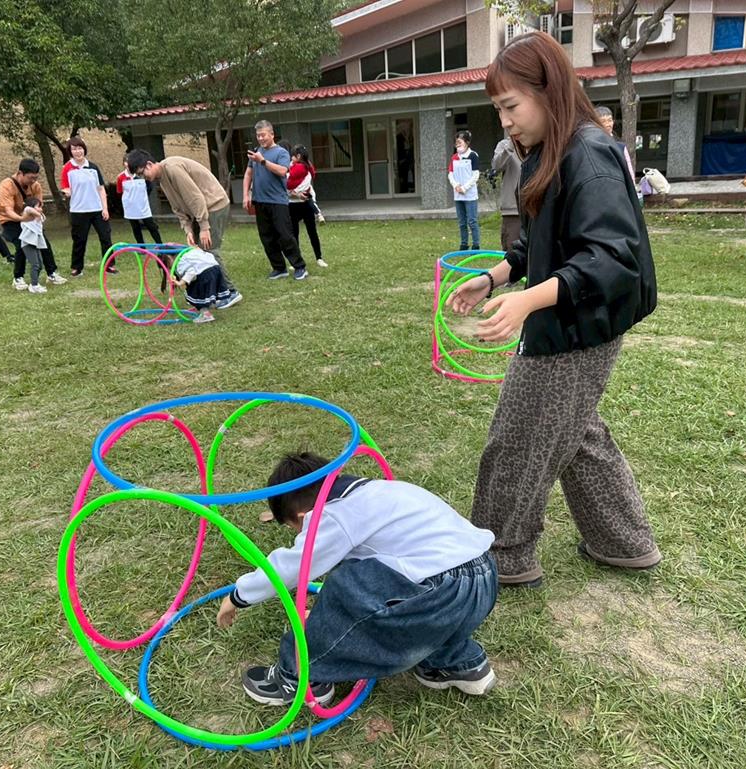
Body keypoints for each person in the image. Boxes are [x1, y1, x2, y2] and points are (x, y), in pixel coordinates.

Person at [446, 32, 661, 588]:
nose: (505, 123)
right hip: (568, 316)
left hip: (578, 326)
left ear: (549, 91)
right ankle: (624, 541)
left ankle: (502, 556)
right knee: (575, 431)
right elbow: (540, 243)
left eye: (511, 106)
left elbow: (612, 260)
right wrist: (494, 278)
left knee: (518, 438)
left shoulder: (588, 154)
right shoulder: (550, 151)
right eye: (497, 111)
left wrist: (527, 301)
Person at [217, 452, 499, 705]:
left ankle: (299, 676)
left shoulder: (332, 514)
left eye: (297, 529)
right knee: (377, 579)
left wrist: (238, 596)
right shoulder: (378, 491)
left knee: (345, 583)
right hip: (483, 577)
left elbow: (293, 566)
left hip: (438, 592)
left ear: (304, 516)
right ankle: (458, 663)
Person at [126, 149, 240, 296]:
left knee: (208, 251)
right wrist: (188, 229)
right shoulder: (162, 179)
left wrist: (204, 226)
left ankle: (230, 292)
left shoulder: (172, 168)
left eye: (142, 173)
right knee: (198, 252)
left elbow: (195, 197)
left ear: (149, 164)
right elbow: (177, 207)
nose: (143, 178)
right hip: (200, 211)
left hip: (214, 205)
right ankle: (210, 289)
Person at [243, 120, 308, 280]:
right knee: (267, 237)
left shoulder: (281, 153)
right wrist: (245, 195)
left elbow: (282, 171)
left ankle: (300, 267)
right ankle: (279, 268)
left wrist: (262, 161)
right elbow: (248, 174)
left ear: (272, 134)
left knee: (285, 236)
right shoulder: (256, 152)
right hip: (260, 201)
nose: (260, 138)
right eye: (258, 135)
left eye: (263, 135)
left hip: (277, 201)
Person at [0, 159, 66, 290]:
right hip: (10, 220)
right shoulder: (7, 185)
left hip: (29, 220)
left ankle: (51, 273)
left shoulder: (35, 186)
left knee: (43, 243)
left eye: (35, 178)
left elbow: (39, 206)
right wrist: (22, 218)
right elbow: (8, 210)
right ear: (20, 173)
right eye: (30, 178)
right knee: (21, 244)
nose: (33, 181)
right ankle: (18, 278)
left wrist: (36, 217)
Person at [60, 137, 113, 277]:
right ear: (70, 151)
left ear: (84, 149)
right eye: (74, 149)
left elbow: (101, 189)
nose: (78, 151)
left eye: (80, 148)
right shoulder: (67, 168)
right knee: (80, 240)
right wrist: (66, 192)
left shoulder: (93, 167)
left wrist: (105, 208)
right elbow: (65, 187)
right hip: (78, 210)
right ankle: (77, 267)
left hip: (97, 209)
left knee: (106, 237)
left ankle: (109, 265)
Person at [169, 245, 242, 324]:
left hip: (205, 273)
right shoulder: (192, 252)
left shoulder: (181, 261)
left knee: (196, 292)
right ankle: (212, 304)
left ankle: (205, 314)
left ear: (170, 258)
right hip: (216, 269)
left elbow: (191, 272)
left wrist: (180, 282)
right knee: (206, 289)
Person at [287, 145, 327, 268]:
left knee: (311, 232)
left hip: (303, 205)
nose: (291, 158)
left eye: (293, 156)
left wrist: (308, 199)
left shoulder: (305, 170)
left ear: (298, 156)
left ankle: (319, 257)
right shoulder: (295, 168)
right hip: (293, 205)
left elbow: (305, 188)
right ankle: (296, 260)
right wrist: (297, 194)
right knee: (294, 234)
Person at [116, 160, 162, 245]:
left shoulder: (141, 175)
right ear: (123, 164)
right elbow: (120, 192)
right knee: (135, 227)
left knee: (151, 226)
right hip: (130, 207)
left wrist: (142, 197)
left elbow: (149, 187)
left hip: (143, 206)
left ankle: (160, 244)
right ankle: (141, 247)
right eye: (126, 162)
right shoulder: (120, 177)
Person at [448, 130, 480, 251]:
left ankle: (476, 245)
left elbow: (475, 175)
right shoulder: (454, 157)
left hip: (470, 195)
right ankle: (464, 244)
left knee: (472, 221)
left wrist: (464, 188)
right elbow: (450, 174)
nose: (458, 144)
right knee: (462, 222)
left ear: (467, 142)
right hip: (458, 194)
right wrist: (456, 185)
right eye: (456, 142)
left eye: (460, 141)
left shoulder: (473, 156)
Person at [492, 137, 522, 250]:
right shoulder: (504, 145)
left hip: (536, 211)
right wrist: (510, 147)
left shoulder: (539, 143)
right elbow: (496, 166)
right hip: (513, 211)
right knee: (512, 251)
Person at [595, 106, 635, 180]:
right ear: (596, 123)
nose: (608, 124)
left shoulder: (621, 146)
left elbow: (629, 171)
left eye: (609, 120)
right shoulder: (592, 145)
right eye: (603, 121)